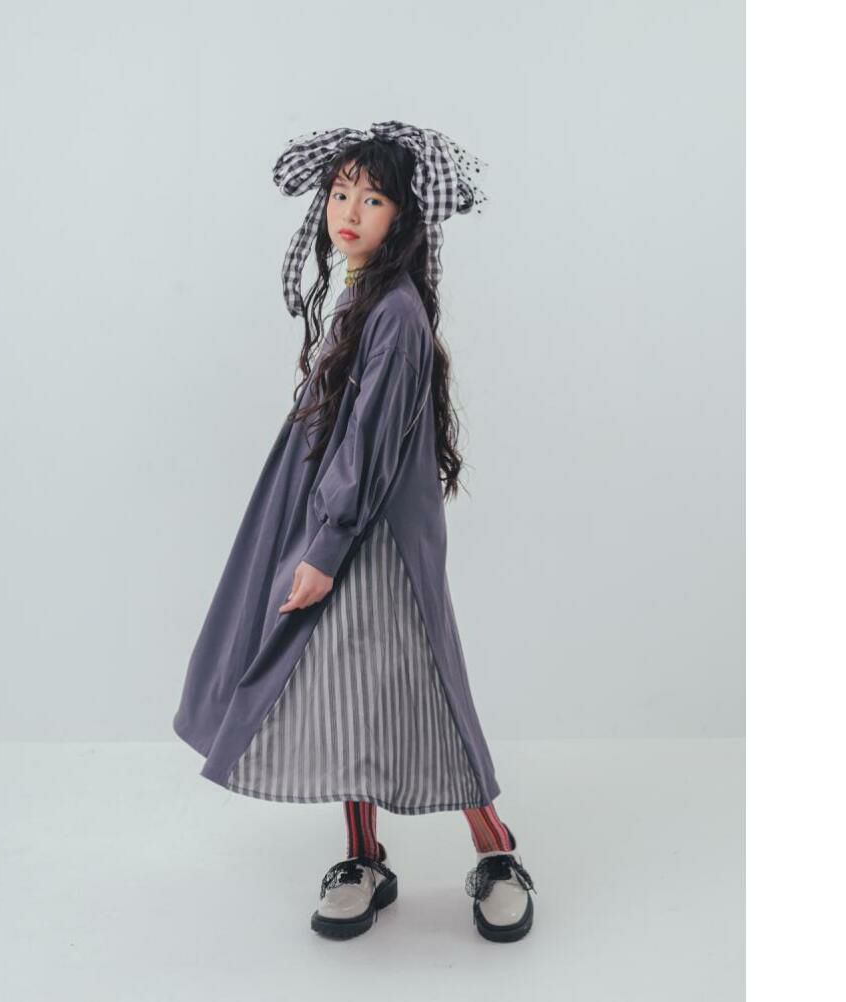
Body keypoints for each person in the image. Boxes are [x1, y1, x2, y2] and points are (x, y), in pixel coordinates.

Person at [173, 121, 537, 942]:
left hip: (375, 544)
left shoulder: (396, 313)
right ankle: (364, 856)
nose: (349, 211)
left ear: (402, 215)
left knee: (424, 686)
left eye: (372, 199)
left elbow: (369, 445)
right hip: (337, 529)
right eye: (341, 194)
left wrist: (326, 548)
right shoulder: (360, 297)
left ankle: (496, 849)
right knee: (343, 692)